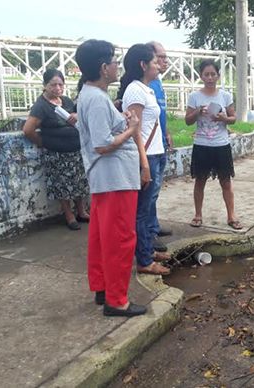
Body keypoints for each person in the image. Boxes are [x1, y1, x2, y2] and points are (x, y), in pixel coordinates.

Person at [75, 39, 147, 316]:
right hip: (115, 178)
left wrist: (121, 117)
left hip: (109, 179)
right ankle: (117, 300)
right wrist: (131, 128)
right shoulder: (94, 98)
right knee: (119, 238)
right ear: (104, 68)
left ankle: (103, 287)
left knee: (102, 237)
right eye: (114, 61)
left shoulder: (92, 95)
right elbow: (103, 144)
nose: (118, 66)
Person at [118, 43, 171, 276]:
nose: (159, 64)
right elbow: (135, 130)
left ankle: (148, 250)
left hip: (156, 153)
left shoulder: (147, 88)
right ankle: (144, 260)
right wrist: (144, 164)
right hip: (146, 156)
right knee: (142, 210)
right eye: (154, 61)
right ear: (142, 65)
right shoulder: (135, 91)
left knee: (148, 207)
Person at [22, 68, 89, 230]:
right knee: (62, 185)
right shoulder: (41, 106)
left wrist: (77, 116)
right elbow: (28, 129)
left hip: (75, 150)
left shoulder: (65, 101)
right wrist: (43, 142)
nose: (58, 88)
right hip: (57, 153)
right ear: (45, 85)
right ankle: (69, 215)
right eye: (53, 85)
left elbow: (77, 117)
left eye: (60, 84)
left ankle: (81, 211)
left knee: (79, 182)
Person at [184, 60, 242, 230]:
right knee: (200, 180)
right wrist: (197, 112)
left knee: (226, 181)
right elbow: (187, 121)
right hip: (202, 144)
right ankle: (197, 215)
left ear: (218, 76)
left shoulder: (225, 96)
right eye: (206, 74)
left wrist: (224, 118)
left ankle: (231, 215)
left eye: (213, 74)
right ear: (201, 76)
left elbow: (234, 118)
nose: (210, 78)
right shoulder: (195, 96)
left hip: (221, 144)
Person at [146, 41, 173, 253]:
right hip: (150, 148)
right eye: (160, 57)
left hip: (160, 142)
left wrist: (166, 132)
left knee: (155, 191)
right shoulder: (145, 85)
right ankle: (148, 233)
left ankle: (153, 226)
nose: (164, 61)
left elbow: (159, 115)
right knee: (150, 192)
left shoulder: (157, 82)